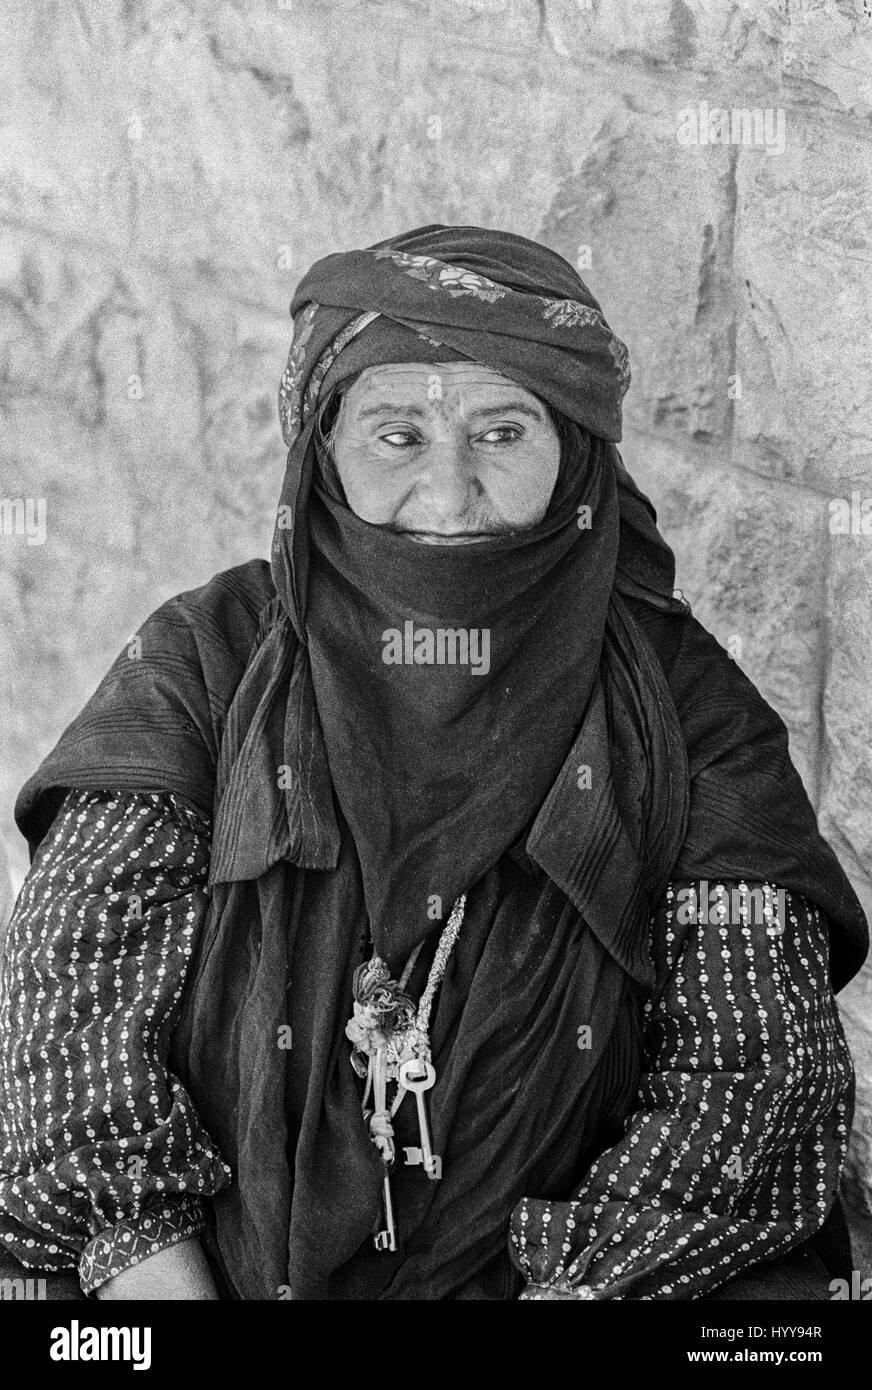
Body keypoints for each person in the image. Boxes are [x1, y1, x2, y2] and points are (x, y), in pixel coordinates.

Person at [0, 226, 867, 1301]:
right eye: (395, 434)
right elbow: (73, 1009)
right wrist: (153, 1273)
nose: (450, 497)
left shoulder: (686, 714)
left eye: (500, 431)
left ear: (578, 451)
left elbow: (747, 1081)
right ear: (321, 454)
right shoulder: (206, 664)